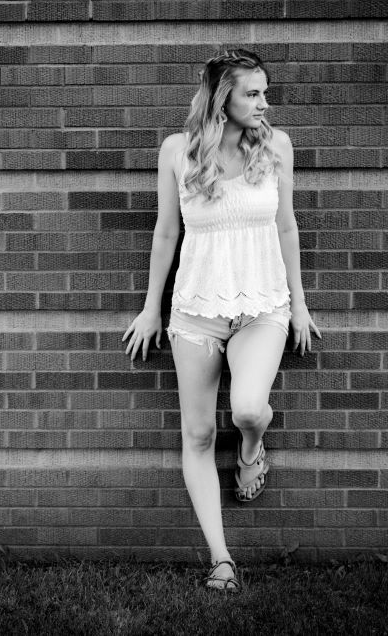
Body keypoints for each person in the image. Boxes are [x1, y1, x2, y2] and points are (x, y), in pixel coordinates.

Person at [121, 49, 321, 592]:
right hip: (195, 312)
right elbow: (166, 234)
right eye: (251, 93)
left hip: (262, 305)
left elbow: (287, 229)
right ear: (221, 98)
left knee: (250, 410)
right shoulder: (177, 153)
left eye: (264, 92)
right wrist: (149, 307)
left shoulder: (276, 147)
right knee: (200, 431)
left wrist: (299, 303)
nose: (264, 103)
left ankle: (253, 448)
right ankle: (221, 560)